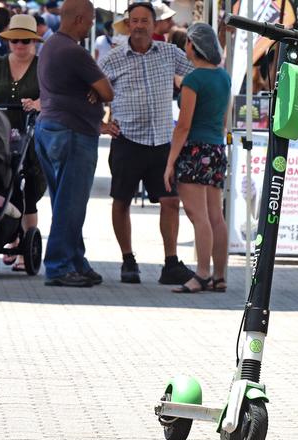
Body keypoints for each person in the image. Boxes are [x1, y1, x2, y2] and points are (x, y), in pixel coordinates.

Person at [98, 1, 194, 285]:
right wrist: (101, 124)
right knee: (121, 201)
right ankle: (128, 260)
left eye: (145, 21)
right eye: (135, 20)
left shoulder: (169, 53)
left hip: (162, 141)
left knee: (170, 201)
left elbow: (197, 74)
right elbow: (86, 91)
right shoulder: (113, 59)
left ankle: (171, 263)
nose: (139, 25)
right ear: (128, 24)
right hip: (127, 141)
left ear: (155, 25)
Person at [35, 0, 114, 287]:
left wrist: (90, 89)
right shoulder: (74, 51)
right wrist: (94, 89)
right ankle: (58, 266)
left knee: (64, 202)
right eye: (91, 19)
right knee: (71, 204)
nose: (93, 24)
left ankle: (75, 260)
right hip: (73, 132)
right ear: (80, 18)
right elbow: (107, 91)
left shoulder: (50, 46)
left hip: (50, 128)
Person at [0, 14, 47, 272]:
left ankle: (25, 249)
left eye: (25, 40)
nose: (19, 45)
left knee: (29, 192)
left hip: (31, 137)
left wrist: (39, 104)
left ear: (33, 41)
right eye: (14, 40)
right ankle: (6, 233)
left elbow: (54, 96)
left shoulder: (42, 66)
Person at [163, 23, 230, 293]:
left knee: (197, 215)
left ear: (192, 45)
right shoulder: (223, 77)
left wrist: (170, 162)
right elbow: (224, 119)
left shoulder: (193, 80)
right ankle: (219, 275)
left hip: (195, 150)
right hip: (215, 149)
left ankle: (201, 273)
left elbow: (183, 126)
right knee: (216, 215)